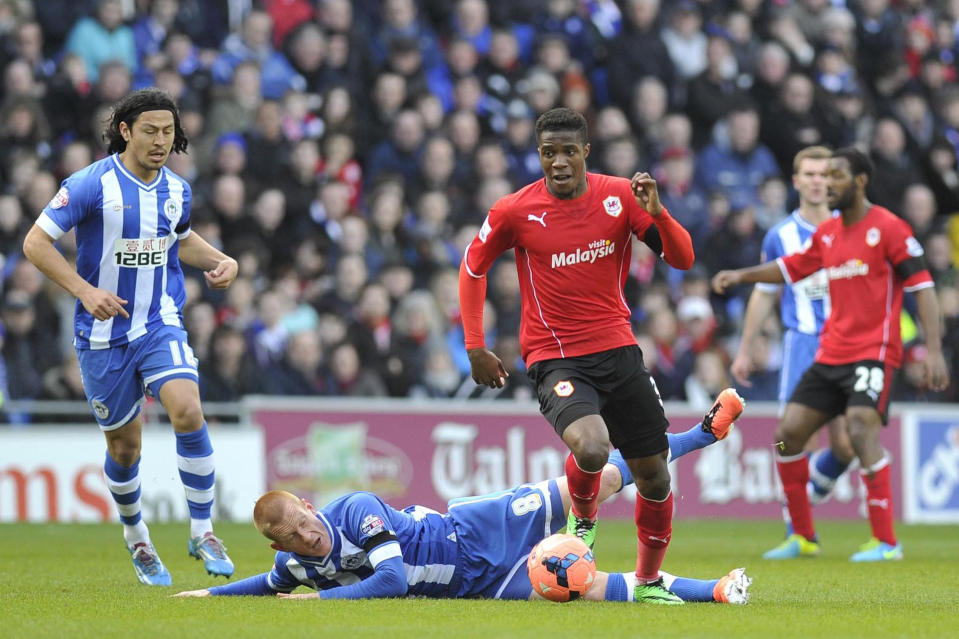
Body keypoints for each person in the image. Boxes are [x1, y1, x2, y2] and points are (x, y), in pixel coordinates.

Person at [457, 107, 744, 604]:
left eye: (569, 151)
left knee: (654, 475)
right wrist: (475, 345)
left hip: (619, 352)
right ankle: (583, 521)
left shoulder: (619, 197)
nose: (560, 162)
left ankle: (650, 582)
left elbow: (683, 259)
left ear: (586, 151)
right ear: (540, 156)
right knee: (591, 447)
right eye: (549, 153)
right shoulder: (514, 210)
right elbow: (473, 266)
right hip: (555, 357)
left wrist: (658, 213)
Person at [22, 88, 238, 585]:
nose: (161, 141)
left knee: (187, 407)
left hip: (160, 321)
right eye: (150, 131)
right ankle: (136, 536)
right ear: (125, 131)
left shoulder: (178, 190)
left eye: (168, 132)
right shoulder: (89, 185)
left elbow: (180, 239)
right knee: (125, 448)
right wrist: (84, 289)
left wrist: (221, 260)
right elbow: (36, 241)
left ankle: (203, 530)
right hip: (102, 334)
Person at [173, 422, 753, 603]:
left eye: (305, 521)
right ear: (283, 548)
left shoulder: (352, 510)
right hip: (481, 586)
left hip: (479, 527)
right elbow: (267, 587)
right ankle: (716, 592)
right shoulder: (297, 566)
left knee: (594, 483)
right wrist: (209, 597)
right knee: (589, 587)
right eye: (296, 539)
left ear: (306, 503)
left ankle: (699, 433)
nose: (308, 535)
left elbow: (394, 579)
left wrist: (315, 603)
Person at [712, 147, 950, 562]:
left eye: (836, 176)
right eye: (823, 175)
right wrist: (741, 276)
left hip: (873, 352)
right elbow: (788, 269)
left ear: (859, 181)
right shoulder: (828, 235)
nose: (828, 184)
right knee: (787, 435)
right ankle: (802, 536)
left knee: (858, 429)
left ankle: (886, 541)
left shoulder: (890, 228)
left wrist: (933, 349)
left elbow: (923, 289)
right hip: (830, 353)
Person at [728, 146, 856, 547]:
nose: (818, 180)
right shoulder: (780, 235)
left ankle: (808, 495)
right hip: (802, 344)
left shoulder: (852, 226)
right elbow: (764, 294)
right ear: (797, 180)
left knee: (848, 445)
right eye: (810, 173)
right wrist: (746, 347)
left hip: (849, 344)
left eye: (826, 174)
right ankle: (797, 528)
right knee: (793, 438)